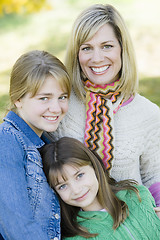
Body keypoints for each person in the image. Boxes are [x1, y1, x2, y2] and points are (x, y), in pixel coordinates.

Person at [47, 4, 160, 206]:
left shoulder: (149, 115)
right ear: (76, 54)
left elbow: (154, 178)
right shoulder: (61, 102)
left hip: (127, 227)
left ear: (122, 49)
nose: (97, 58)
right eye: (86, 48)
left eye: (107, 46)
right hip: (71, 228)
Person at [0, 50, 71, 239]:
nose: (56, 108)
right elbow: (17, 227)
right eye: (44, 98)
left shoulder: (47, 141)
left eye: (62, 97)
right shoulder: (6, 142)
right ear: (18, 99)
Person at [41, 136, 160, 239]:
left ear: (94, 166)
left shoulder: (138, 196)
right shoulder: (77, 237)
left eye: (79, 175)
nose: (76, 190)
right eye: (62, 186)